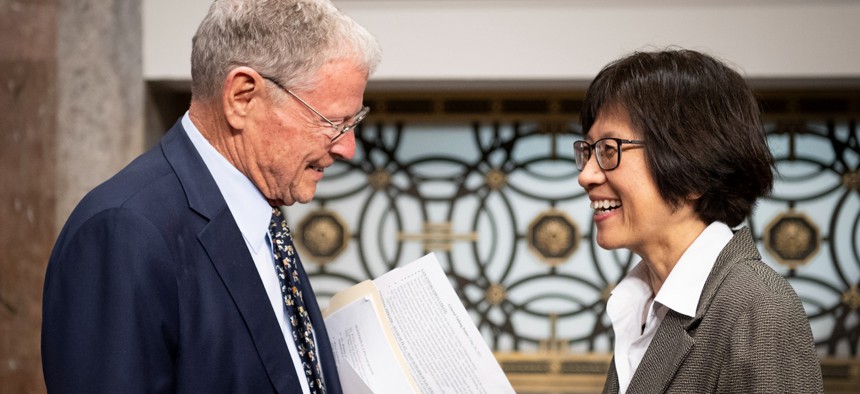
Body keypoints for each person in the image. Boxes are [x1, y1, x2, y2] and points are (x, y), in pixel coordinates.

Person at [41, 0, 381, 392]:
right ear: (242, 97)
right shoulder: (124, 231)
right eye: (332, 122)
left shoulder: (264, 219)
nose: (348, 148)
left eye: (354, 122)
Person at [575, 49, 823, 393]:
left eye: (608, 150)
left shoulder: (759, 308)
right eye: (587, 152)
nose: (586, 175)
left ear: (693, 171)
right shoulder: (642, 307)